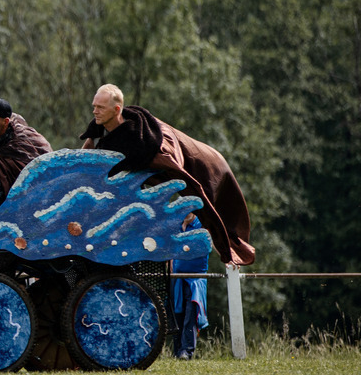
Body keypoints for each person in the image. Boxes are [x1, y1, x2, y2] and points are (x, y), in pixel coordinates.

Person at [80, 83, 255, 266]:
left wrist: (192, 211)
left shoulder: (146, 142)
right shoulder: (99, 129)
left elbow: (183, 176)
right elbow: (85, 164)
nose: (95, 111)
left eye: (100, 107)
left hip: (203, 164)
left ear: (116, 110)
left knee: (210, 210)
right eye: (94, 106)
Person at [171, 213, 209, 360]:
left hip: (195, 278)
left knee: (191, 314)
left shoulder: (203, 224)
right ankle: (177, 351)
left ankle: (186, 351)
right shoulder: (175, 224)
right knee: (177, 315)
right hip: (177, 276)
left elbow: (217, 241)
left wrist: (228, 259)